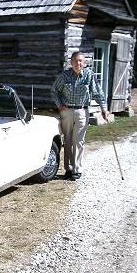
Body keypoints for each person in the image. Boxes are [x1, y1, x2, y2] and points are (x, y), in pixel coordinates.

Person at [51, 51, 109, 180]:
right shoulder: (64, 76)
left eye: (81, 61)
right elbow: (55, 91)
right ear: (71, 62)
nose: (78, 63)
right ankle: (68, 169)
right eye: (76, 61)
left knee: (78, 141)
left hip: (82, 111)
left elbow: (98, 92)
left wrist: (104, 108)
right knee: (68, 140)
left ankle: (77, 169)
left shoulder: (89, 75)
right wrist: (60, 105)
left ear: (84, 62)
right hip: (66, 111)